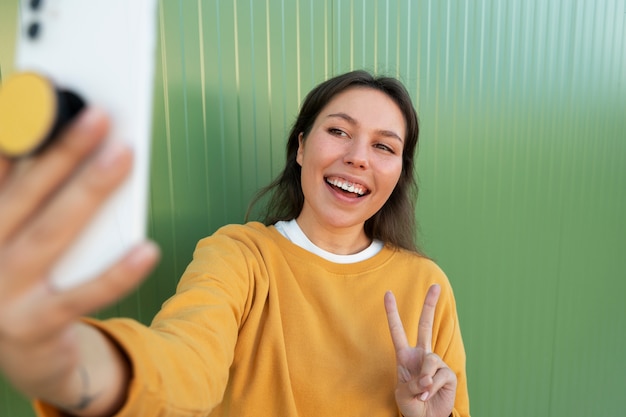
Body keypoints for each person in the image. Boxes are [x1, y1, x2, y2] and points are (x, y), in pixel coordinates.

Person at [0, 70, 470, 417]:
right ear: (302, 147)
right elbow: (183, 365)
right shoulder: (239, 256)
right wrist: (66, 364)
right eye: (339, 131)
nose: (356, 157)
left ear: (399, 174)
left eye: (384, 147)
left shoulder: (426, 285)